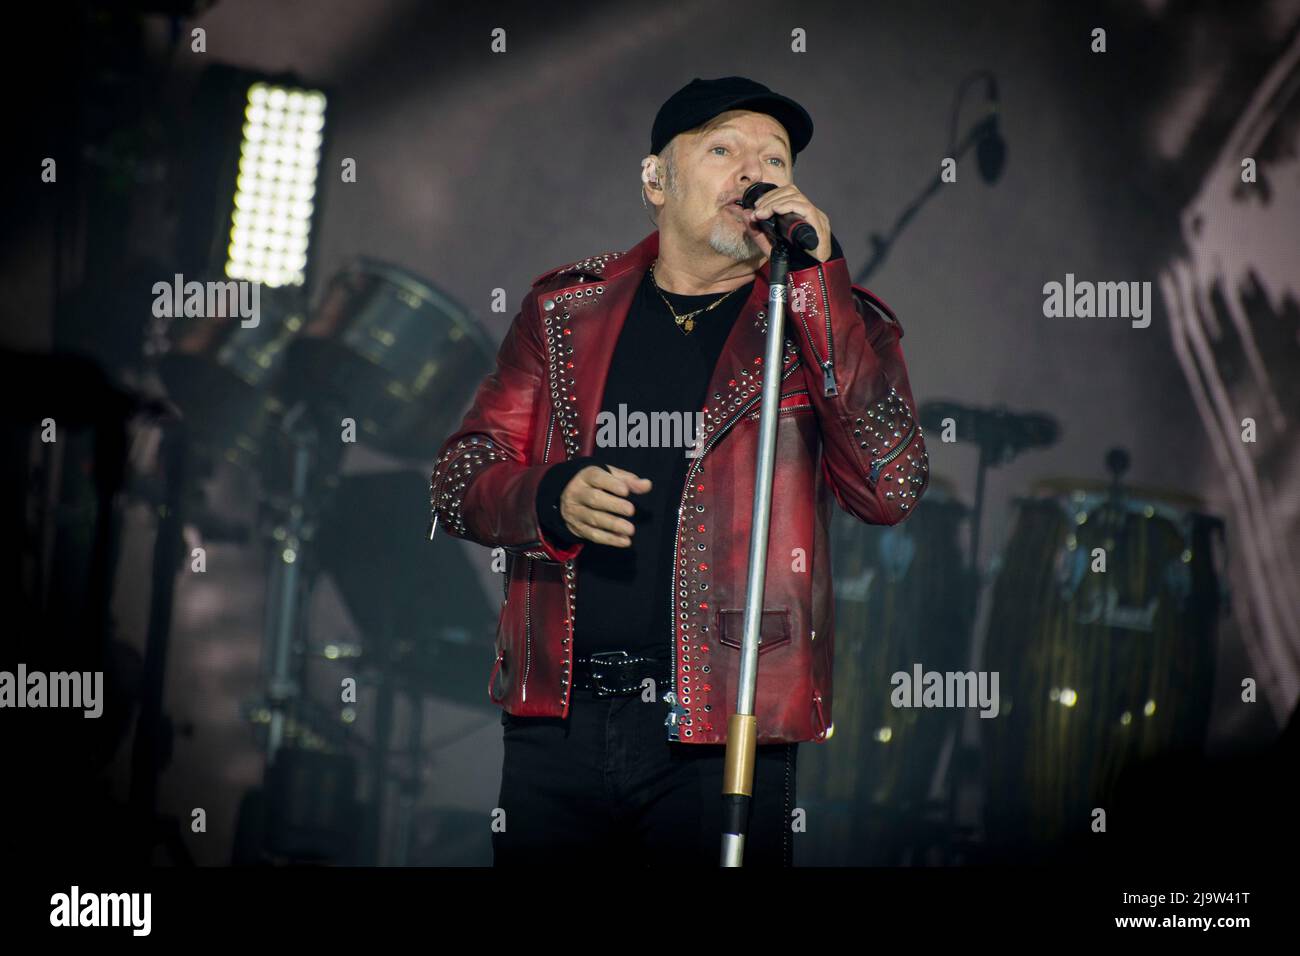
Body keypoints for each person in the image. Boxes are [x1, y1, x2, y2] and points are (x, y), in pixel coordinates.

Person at [429, 75, 929, 866]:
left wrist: (819, 287)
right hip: (557, 717)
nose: (754, 172)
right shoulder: (563, 311)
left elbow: (889, 486)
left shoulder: (832, 322)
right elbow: (461, 478)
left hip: (724, 725)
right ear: (656, 180)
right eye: (725, 148)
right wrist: (549, 497)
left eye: (775, 156)